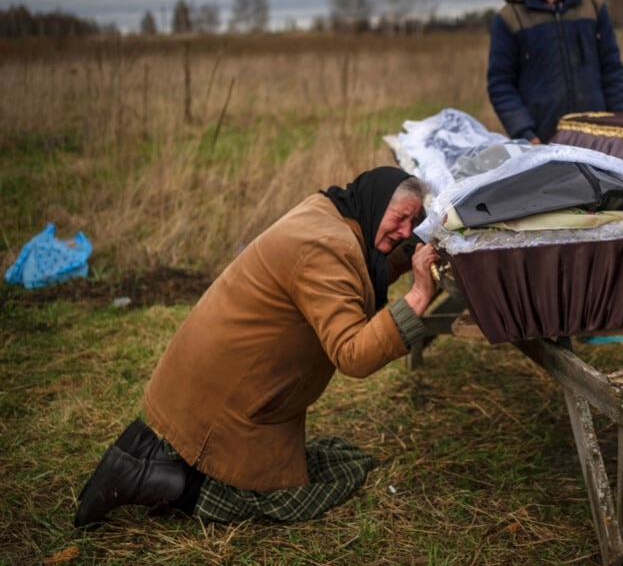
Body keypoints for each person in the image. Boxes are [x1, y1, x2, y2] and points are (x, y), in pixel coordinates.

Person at [75, 166, 441, 526]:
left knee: (338, 458)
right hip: (228, 403)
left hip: (205, 385)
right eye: (400, 218)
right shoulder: (329, 248)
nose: (405, 230)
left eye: (413, 223)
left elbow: (362, 271)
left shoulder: (327, 212)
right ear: (377, 203)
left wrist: (413, 250)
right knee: (296, 494)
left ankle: (148, 452)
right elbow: (353, 355)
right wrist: (420, 293)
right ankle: (150, 479)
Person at [487, 0, 623, 145]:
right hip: (544, 143)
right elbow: (501, 85)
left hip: (598, 137)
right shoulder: (510, 18)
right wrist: (526, 134)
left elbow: (612, 71)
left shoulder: (593, 5)